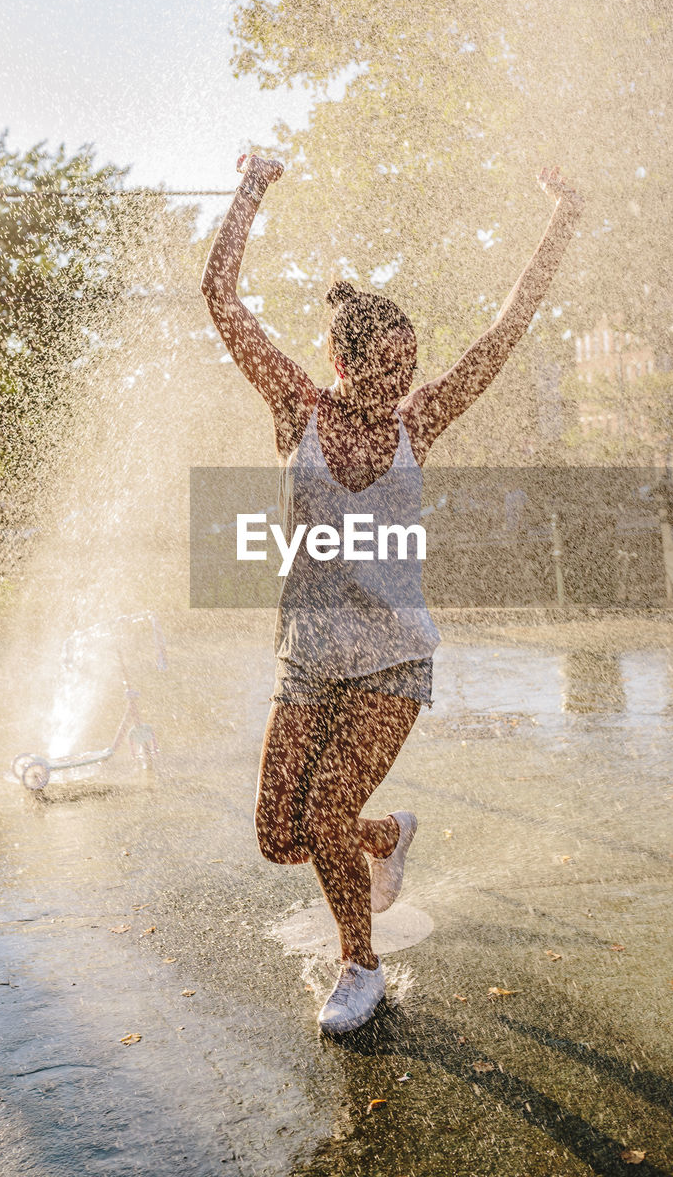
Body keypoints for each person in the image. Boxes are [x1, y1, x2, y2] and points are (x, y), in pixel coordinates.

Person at [200, 154, 584, 1034]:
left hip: (393, 659)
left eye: (407, 367)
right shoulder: (295, 409)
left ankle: (359, 969)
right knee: (282, 836)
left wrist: (560, 219)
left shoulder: (420, 421)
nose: (397, 384)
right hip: (307, 659)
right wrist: (252, 187)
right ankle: (387, 837)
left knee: (324, 811)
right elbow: (220, 298)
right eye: (380, 367)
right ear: (338, 359)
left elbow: (506, 329)